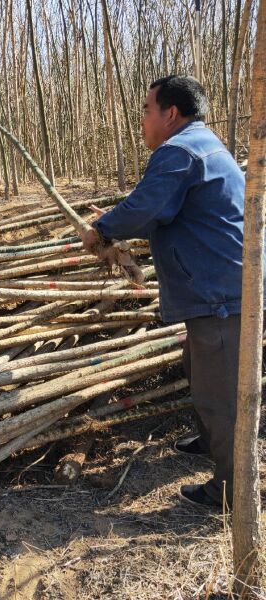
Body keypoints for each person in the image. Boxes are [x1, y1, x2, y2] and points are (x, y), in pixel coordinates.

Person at [81, 75, 252, 510]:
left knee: (220, 395)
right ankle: (211, 443)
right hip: (216, 286)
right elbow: (160, 209)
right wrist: (118, 219)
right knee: (199, 372)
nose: (142, 119)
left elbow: (147, 207)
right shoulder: (201, 144)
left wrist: (101, 230)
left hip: (219, 292)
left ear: (170, 114)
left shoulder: (178, 150)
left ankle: (233, 488)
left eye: (145, 110)